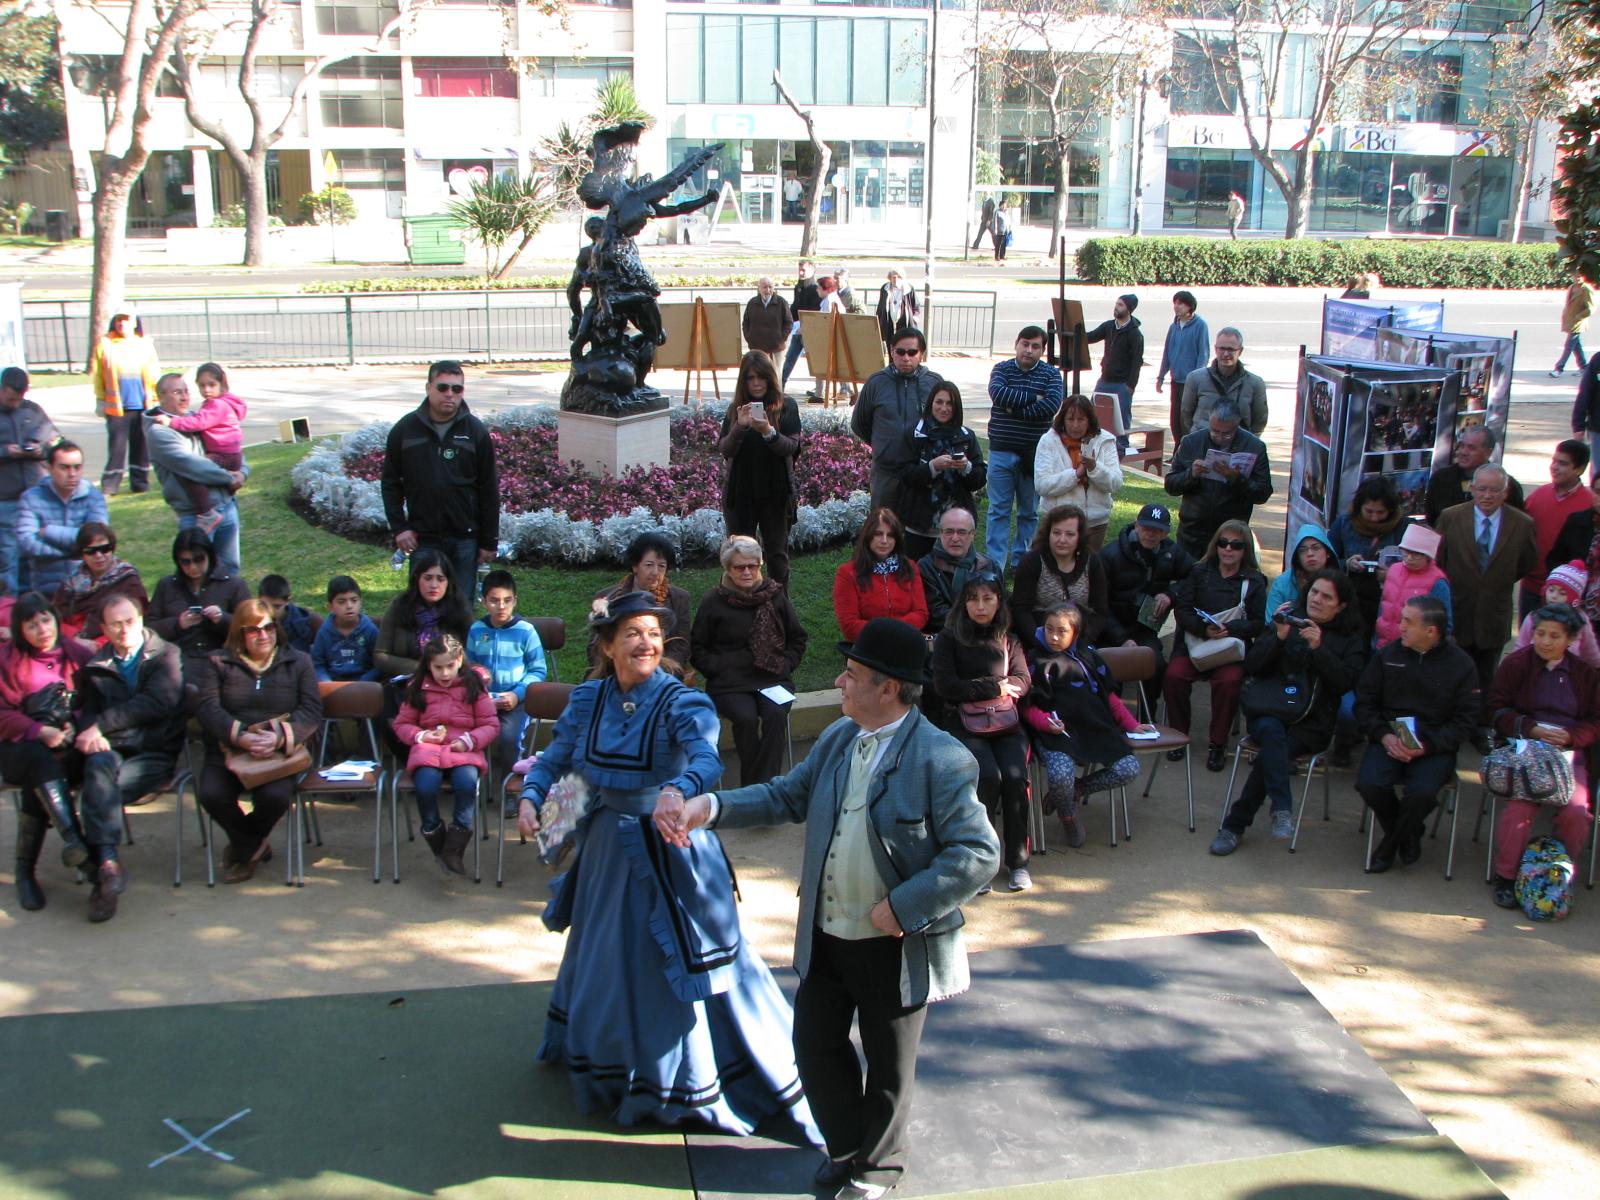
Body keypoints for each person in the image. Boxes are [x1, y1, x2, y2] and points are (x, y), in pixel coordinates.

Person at [655, 617, 998, 1198]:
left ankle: (878, 1169)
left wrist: (906, 905)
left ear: (888, 688)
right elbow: (787, 795)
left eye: (852, 674)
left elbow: (979, 853)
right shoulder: (839, 739)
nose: (840, 681)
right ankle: (845, 1148)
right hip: (827, 931)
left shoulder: (943, 758)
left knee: (890, 1068)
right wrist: (708, 806)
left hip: (895, 942)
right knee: (814, 1047)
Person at [512, 591, 819, 1140]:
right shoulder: (587, 701)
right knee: (608, 955)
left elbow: (704, 755)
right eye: (631, 633)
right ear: (607, 646)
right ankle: (613, 1068)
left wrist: (679, 789)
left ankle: (695, 1079)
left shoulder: (683, 702)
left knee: (684, 964)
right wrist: (533, 797)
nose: (645, 643)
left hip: (670, 847)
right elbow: (557, 761)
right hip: (608, 850)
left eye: (653, 634)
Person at [1210, 570, 1366, 855]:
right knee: (1271, 734)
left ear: (1341, 606)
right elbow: (1254, 666)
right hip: (1270, 710)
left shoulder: (1350, 639)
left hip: (1311, 724)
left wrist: (1318, 649)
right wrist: (1278, 637)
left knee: (1274, 750)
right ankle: (1280, 808)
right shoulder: (1287, 618)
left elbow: (1344, 683)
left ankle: (1234, 826)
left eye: (1327, 597)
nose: (1316, 600)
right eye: (1315, 592)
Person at [72, 594, 186, 921]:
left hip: (155, 752)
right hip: (113, 750)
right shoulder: (98, 665)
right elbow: (89, 710)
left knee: (100, 788)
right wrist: (89, 733)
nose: (124, 630)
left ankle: (95, 865)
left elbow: (158, 703)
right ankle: (108, 866)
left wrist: (102, 727)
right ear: (104, 629)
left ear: (141, 619)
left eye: (130, 621)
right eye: (116, 624)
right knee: (96, 767)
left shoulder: (166, 655)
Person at [194, 597, 323, 884]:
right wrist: (241, 736)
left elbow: (312, 710)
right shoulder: (218, 662)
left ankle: (244, 847)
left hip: (279, 754)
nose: (262, 635)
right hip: (230, 749)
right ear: (240, 633)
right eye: (253, 630)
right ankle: (252, 846)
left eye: (268, 628)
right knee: (211, 794)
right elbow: (208, 708)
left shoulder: (298, 661)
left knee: (275, 797)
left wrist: (278, 738)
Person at [1353, 595, 1480, 873]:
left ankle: (1389, 845)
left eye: (1408, 623)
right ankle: (1409, 833)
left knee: (1422, 793)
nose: (1400, 627)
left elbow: (1466, 721)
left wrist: (1429, 746)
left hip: (1434, 745)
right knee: (1369, 784)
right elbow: (1364, 703)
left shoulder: (1461, 665)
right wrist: (1384, 736)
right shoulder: (1387, 656)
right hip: (1391, 736)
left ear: (1431, 631)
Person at [1486, 604, 1600, 908]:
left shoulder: (1585, 674)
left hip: (1568, 754)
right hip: (1526, 749)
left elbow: (1595, 720)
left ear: (1571, 639)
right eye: (1540, 634)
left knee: (1577, 812)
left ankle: (1554, 874)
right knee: (1520, 810)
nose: (1545, 642)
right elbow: (1496, 708)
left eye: (1554, 636)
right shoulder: (1517, 664)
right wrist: (1530, 728)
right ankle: (1506, 876)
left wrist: (1572, 737)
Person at [1023, 600, 1153, 850]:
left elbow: (1110, 697)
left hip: (1095, 728)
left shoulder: (1090, 656)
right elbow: (1027, 707)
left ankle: (1076, 790)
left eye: (1062, 631)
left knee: (1128, 769)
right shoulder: (1034, 660)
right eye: (1049, 629)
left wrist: (1132, 725)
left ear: (1076, 633)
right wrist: (1046, 723)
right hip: (1057, 732)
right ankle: (1068, 816)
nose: (1053, 636)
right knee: (1060, 776)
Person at [932, 571, 1032, 891]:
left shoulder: (1008, 638)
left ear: (999, 601)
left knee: (1015, 777)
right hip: (963, 723)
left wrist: (979, 688)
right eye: (973, 598)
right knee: (988, 776)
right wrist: (994, 687)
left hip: (1005, 723)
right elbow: (946, 687)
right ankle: (982, 861)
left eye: (988, 598)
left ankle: (1018, 862)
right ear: (963, 603)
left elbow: (1022, 681)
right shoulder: (948, 639)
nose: (980, 606)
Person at [1, 592, 96, 913]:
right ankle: (77, 842)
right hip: (19, 749)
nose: (43, 629)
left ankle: (25, 872)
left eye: (46, 619)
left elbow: (93, 702)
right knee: (35, 757)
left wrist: (75, 726)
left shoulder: (76, 655)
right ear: (20, 631)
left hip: (67, 751)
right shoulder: (9, 661)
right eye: (32, 625)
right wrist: (39, 731)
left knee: (39, 779)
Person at [691, 536, 807, 788]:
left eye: (752, 566)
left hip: (773, 677)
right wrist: (718, 669)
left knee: (775, 716)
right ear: (727, 569)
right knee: (746, 719)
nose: (747, 572)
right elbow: (698, 648)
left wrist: (785, 664)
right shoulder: (713, 601)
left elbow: (797, 639)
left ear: (760, 566)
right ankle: (762, 790)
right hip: (730, 683)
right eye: (739, 567)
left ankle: (758, 789)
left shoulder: (774, 596)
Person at [381, 359, 499, 590]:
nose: (450, 394)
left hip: (465, 539)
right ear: (428, 388)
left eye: (457, 389)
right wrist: (399, 528)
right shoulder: (404, 431)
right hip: (423, 538)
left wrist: (488, 541)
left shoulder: (476, 432)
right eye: (442, 387)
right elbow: (391, 484)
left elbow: (488, 489)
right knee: (423, 611)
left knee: (461, 610)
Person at [1163, 519, 1268, 772]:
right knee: (1174, 676)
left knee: (1230, 682)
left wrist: (1230, 629)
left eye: (1236, 545)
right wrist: (1203, 628)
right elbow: (1183, 610)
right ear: (1215, 545)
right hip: (1195, 644)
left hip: (1229, 650)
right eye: (1223, 543)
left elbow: (1256, 622)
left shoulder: (1254, 581)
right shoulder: (1199, 572)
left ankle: (1218, 744)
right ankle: (1178, 735)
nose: (1228, 549)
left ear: (1245, 550)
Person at [394, 635, 498, 875]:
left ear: (460, 660)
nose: (444, 674)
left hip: (464, 750)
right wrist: (420, 736)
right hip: (428, 751)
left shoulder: (474, 686)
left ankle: (455, 846)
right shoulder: (417, 687)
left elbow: (490, 725)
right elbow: (402, 724)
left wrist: (469, 740)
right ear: (428, 665)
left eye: (449, 666)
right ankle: (435, 835)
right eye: (438, 667)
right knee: (426, 787)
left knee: (466, 784)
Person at [1436, 464, 1539, 695]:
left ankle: (1482, 725)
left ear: (1506, 492)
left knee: (1486, 681)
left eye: (1495, 490)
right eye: (1482, 489)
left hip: (1494, 617)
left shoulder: (1522, 524)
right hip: (1457, 612)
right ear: (1472, 488)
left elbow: (1526, 562)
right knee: (1452, 679)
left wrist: (1495, 581)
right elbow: (1439, 560)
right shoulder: (1450, 517)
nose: (1487, 496)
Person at [145, 373, 246, 576]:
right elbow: (192, 465)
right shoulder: (159, 432)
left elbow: (229, 445)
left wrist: (243, 473)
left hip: (226, 506)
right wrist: (229, 478)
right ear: (161, 397)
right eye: (177, 392)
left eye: (185, 391)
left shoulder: (195, 419)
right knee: (197, 576)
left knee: (229, 572)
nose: (184, 397)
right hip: (196, 516)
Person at [1098, 502, 1194, 712]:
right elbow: (1099, 605)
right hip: (1112, 630)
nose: (1151, 534)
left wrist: (1171, 594)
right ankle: (1114, 722)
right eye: (1147, 528)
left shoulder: (1172, 553)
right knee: (1113, 670)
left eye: (1158, 530)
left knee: (1157, 666)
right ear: (1137, 525)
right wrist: (1122, 639)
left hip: (1144, 629)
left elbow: (1194, 575)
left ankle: (1147, 717)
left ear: (1166, 533)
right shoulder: (1109, 555)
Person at [986, 326, 1064, 571]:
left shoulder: (1051, 375)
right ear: (1016, 344)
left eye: (1035, 346)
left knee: (1029, 512)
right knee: (998, 510)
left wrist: (1014, 407)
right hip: (1001, 451)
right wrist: (1034, 397)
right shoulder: (1001, 369)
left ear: (1042, 350)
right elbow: (998, 393)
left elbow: (1051, 405)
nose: (1029, 350)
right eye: (1025, 344)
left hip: (1034, 454)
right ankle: (995, 564)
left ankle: (1023, 562)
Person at [721, 352, 802, 585]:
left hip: (775, 493)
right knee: (739, 554)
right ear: (743, 381)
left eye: (761, 377)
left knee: (777, 555)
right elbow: (725, 448)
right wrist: (740, 427)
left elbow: (791, 447)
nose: (756, 383)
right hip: (741, 493)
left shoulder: (786, 407)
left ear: (770, 378)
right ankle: (741, 606)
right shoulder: (736, 409)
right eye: (750, 378)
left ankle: (778, 606)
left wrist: (768, 431)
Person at [1164, 400, 1274, 560]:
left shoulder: (1254, 447)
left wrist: (1238, 479)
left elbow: (1263, 493)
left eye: (1227, 433)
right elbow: (1170, 485)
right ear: (1209, 421)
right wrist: (1191, 474)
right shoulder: (1191, 442)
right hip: (1192, 532)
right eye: (1215, 431)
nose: (1220, 437)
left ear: (1237, 425)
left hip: (1230, 535)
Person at [466, 569, 547, 780]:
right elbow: (469, 667)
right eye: (494, 600)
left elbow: (538, 670)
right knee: (468, 731)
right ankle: (471, 780)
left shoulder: (526, 631)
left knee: (509, 739)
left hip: (516, 701)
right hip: (483, 700)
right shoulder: (476, 630)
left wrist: (517, 694)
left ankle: (510, 786)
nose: (501, 606)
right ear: (484, 601)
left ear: (515, 601)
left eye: (507, 600)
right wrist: (484, 694)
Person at [895, 380, 987, 563]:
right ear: (930, 404)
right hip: (919, 523)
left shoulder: (966, 436)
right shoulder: (914, 434)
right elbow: (904, 474)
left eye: (950, 403)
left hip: (956, 524)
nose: (944, 408)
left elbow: (979, 478)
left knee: (955, 578)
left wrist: (966, 468)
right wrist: (932, 467)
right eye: (939, 402)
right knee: (917, 578)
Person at [852, 328, 942, 514]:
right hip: (886, 472)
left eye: (912, 352)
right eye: (900, 352)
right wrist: (883, 443)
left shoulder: (934, 383)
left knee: (918, 533)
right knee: (883, 530)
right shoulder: (876, 382)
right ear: (892, 351)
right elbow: (860, 423)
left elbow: (946, 421)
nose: (905, 358)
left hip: (922, 471)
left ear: (921, 354)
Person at [1008, 503, 1113, 649]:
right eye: (1056, 533)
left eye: (1070, 534)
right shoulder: (1032, 561)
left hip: (1079, 640)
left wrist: (1080, 642)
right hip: (1037, 639)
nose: (1062, 540)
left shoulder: (1092, 562)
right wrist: (1041, 643)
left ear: (1079, 537)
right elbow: (1021, 611)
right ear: (1048, 533)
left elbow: (1100, 612)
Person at [145, 529, 251, 671]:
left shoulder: (233, 585)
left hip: (222, 660)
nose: (192, 567)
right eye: (185, 562)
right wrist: (178, 624)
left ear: (210, 556)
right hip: (178, 660)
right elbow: (149, 628)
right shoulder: (167, 585)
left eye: (199, 559)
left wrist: (222, 619)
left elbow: (250, 625)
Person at [588, 533, 693, 674]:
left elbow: (681, 646)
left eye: (662, 566)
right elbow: (595, 647)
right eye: (649, 565)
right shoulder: (608, 598)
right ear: (635, 566)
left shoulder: (679, 598)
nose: (655, 572)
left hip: (663, 674)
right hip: (614, 672)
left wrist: (654, 671)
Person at [1033, 393, 1122, 555]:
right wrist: (1075, 475)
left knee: (1089, 572)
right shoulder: (1048, 441)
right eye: (1070, 419)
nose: (1075, 425)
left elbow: (1115, 483)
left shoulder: (1105, 440)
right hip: (1058, 522)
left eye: (1081, 420)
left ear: (1090, 420)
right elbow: (1042, 485)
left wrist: (1094, 468)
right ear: (1062, 420)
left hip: (1095, 523)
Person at [16, 441, 108, 595]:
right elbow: (27, 542)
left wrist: (49, 532)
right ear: (49, 468)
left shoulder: (94, 497)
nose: (72, 474)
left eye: (77, 467)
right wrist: (76, 552)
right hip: (45, 590)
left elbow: (96, 538)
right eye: (64, 467)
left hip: (86, 589)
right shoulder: (31, 498)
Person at [0, 367, 61, 595]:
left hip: (36, 495)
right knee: (9, 557)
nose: (16, 403)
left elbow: (55, 439)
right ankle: (12, 609)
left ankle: (39, 602)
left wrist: (41, 449)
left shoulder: (33, 411)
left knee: (39, 554)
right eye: (10, 398)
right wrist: (6, 452)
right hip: (5, 499)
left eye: (20, 397)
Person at [1328, 476, 1407, 646]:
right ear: (1359, 507)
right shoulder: (1344, 524)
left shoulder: (1404, 527)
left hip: (1390, 605)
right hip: (1352, 602)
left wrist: (1394, 574)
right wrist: (1346, 564)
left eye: (1381, 512)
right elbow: (1328, 560)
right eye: (1369, 511)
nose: (1374, 518)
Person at [375, 549, 474, 682]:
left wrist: (445, 669)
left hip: (449, 683)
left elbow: (472, 656)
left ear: (448, 582)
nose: (434, 585)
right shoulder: (399, 606)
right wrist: (423, 669)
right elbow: (380, 656)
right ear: (417, 579)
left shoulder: (460, 609)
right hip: (406, 683)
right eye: (428, 578)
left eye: (440, 579)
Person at [1520, 439, 1593, 621]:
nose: (1555, 467)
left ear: (1579, 469)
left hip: (1567, 593)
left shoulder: (1590, 504)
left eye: (1563, 463)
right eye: (1554, 461)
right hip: (1531, 587)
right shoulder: (1538, 496)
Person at [88, 311, 158, 496]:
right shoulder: (106, 344)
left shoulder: (144, 345)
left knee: (141, 445)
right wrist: (100, 399)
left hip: (141, 405)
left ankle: (140, 483)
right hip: (117, 407)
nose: (122, 324)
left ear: (134, 323)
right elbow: (99, 375)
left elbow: (153, 373)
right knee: (117, 447)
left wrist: (157, 400)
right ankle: (110, 486)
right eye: (118, 320)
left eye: (126, 320)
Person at [834, 508, 929, 642]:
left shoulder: (910, 568)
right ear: (868, 535)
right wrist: (891, 633)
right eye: (878, 534)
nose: (884, 541)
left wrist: (893, 632)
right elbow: (849, 626)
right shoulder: (847, 573)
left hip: (905, 642)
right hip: (868, 646)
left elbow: (921, 614)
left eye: (890, 535)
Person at [51, 522, 148, 643]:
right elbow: (55, 620)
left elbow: (135, 622)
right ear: (82, 554)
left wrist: (97, 645)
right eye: (91, 551)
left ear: (112, 549)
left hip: (113, 644)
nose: (99, 555)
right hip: (73, 643)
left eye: (104, 549)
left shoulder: (128, 581)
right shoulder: (70, 584)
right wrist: (74, 638)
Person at [1423, 425, 1524, 527]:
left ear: (1488, 452)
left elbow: (1516, 524)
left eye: (1471, 448)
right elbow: (1432, 520)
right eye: (1461, 446)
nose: (1463, 452)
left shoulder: (1507, 485)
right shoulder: (1440, 479)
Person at [918, 506, 996, 635]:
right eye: (949, 531)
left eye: (961, 532)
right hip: (945, 635)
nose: (955, 538)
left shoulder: (988, 565)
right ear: (940, 533)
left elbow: (1001, 605)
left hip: (987, 633)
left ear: (973, 535)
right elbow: (937, 614)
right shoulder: (926, 567)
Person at [1178, 327, 1268, 437]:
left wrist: (1247, 444)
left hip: (1238, 448)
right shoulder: (1195, 379)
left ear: (1240, 351)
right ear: (1215, 349)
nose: (1226, 354)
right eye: (1222, 348)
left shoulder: (1255, 383)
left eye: (1231, 349)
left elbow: (1260, 421)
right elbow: (1186, 415)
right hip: (1203, 446)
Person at [1373, 524, 1453, 647]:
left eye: (1417, 554)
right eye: (1406, 551)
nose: (1409, 558)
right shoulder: (1394, 570)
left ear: (1429, 555)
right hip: (1383, 646)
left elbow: (1444, 624)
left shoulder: (1437, 582)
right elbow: (1383, 607)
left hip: (1416, 649)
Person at [1084, 294, 1144, 455]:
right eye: (1116, 303)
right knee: (1093, 410)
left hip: (1122, 383)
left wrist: (1130, 386)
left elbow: (1137, 362)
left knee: (1122, 417)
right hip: (1105, 379)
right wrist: (1073, 330)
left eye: (1121, 305)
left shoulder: (1135, 334)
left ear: (1129, 309)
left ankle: (1122, 449)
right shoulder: (1109, 326)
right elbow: (1090, 337)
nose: (1116, 307)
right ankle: (1091, 442)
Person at [1515, 562, 1600, 666]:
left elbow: (1590, 652)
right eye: (1551, 590)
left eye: (1562, 593)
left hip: (1568, 676)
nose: (1554, 596)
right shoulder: (1533, 617)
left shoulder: (1581, 620)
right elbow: (1520, 648)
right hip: (1534, 674)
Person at [1153, 291, 1210, 446]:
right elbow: (1167, 353)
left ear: (1189, 306)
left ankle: (1187, 450)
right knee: (1175, 420)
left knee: (1187, 419)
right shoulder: (1174, 327)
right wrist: (1160, 377)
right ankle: (1178, 450)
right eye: (1175, 303)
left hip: (1190, 382)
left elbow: (1203, 355)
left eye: (1181, 303)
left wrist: (1197, 380)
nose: (1176, 307)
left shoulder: (1200, 326)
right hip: (1175, 380)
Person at [312, 575, 380, 683]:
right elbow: (318, 664)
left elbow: (379, 664)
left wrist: (363, 681)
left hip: (364, 685)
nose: (349, 606)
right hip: (333, 683)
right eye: (341, 602)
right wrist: (327, 683)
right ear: (330, 606)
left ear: (360, 602)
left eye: (354, 600)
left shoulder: (370, 630)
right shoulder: (324, 632)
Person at [1266, 524, 1337, 616]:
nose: (1310, 553)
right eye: (1302, 550)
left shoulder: (1339, 581)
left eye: (1316, 548)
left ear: (1328, 552)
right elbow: (1269, 623)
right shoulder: (1282, 583)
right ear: (1297, 558)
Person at [782, 259, 823, 393]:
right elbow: (796, 306)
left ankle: (820, 391)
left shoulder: (814, 289)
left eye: (803, 270)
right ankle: (780, 385)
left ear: (812, 270)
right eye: (799, 269)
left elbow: (815, 312)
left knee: (816, 361)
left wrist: (806, 326)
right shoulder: (799, 287)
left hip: (809, 330)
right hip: (797, 329)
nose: (800, 272)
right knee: (790, 358)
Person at [257, 573, 316, 654]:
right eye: (265, 605)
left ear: (288, 601)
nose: (271, 611)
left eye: (276, 606)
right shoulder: (253, 623)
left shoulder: (309, 622)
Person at [743, 277, 792, 365]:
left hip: (776, 348)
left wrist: (781, 338)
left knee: (776, 376)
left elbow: (788, 322)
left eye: (770, 287)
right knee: (759, 375)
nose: (768, 290)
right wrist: (749, 338)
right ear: (759, 288)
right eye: (765, 287)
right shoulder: (752, 303)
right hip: (757, 349)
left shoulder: (781, 302)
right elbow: (746, 323)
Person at [1552, 273, 1594, 377]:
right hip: (1569, 320)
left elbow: (1590, 308)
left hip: (1578, 322)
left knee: (1568, 346)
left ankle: (1559, 368)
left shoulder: (1586, 289)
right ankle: (1584, 367)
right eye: (1576, 275)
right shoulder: (1572, 287)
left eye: (1580, 275)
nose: (1578, 277)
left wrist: (1579, 317)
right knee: (1576, 346)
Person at [874, 267, 921, 356]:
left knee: (903, 345)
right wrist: (878, 320)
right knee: (890, 345)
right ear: (890, 278)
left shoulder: (909, 289)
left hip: (904, 322)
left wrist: (914, 318)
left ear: (902, 278)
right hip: (889, 322)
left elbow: (916, 306)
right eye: (893, 277)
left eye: (898, 277)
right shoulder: (885, 288)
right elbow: (880, 306)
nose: (895, 279)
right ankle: (891, 366)